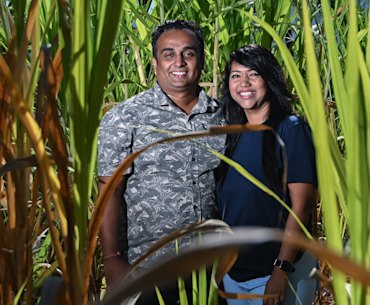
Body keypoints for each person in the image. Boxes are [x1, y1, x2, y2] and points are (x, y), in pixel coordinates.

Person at [97, 20, 225, 305]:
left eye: (188, 53)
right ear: (156, 62)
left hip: (210, 267)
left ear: (201, 61)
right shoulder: (125, 117)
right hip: (147, 268)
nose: (178, 62)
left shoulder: (223, 116)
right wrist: (111, 258)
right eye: (168, 54)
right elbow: (109, 191)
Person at [216, 44, 318, 305]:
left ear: (269, 78)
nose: (244, 83)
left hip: (278, 273)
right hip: (234, 275)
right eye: (236, 76)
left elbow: (302, 206)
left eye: (253, 74)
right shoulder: (231, 135)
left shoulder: (291, 129)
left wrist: (280, 270)